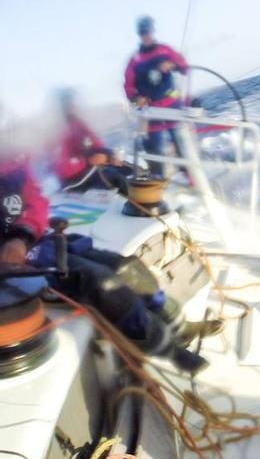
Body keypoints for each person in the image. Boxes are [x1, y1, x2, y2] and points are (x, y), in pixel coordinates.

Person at [0, 152, 208, 375]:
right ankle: (166, 348)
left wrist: (23, 234)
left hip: (33, 242)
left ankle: (178, 327)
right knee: (100, 280)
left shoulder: (12, 163)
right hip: (14, 270)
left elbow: (36, 203)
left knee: (124, 265)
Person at [123, 15, 188, 179]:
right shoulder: (134, 61)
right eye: (142, 32)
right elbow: (128, 85)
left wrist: (172, 64)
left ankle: (190, 178)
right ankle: (159, 183)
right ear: (139, 33)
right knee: (154, 149)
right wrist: (135, 98)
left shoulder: (165, 50)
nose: (146, 35)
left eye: (148, 31)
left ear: (152, 31)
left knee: (181, 142)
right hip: (151, 111)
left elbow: (184, 67)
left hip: (173, 105)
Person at [52, 88, 132, 195]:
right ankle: (133, 206)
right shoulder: (56, 130)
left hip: (90, 169)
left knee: (130, 171)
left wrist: (110, 155)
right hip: (74, 179)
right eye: (68, 103)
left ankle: (147, 199)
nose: (72, 106)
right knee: (115, 177)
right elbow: (62, 168)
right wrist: (87, 161)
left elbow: (95, 143)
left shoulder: (77, 122)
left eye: (72, 102)